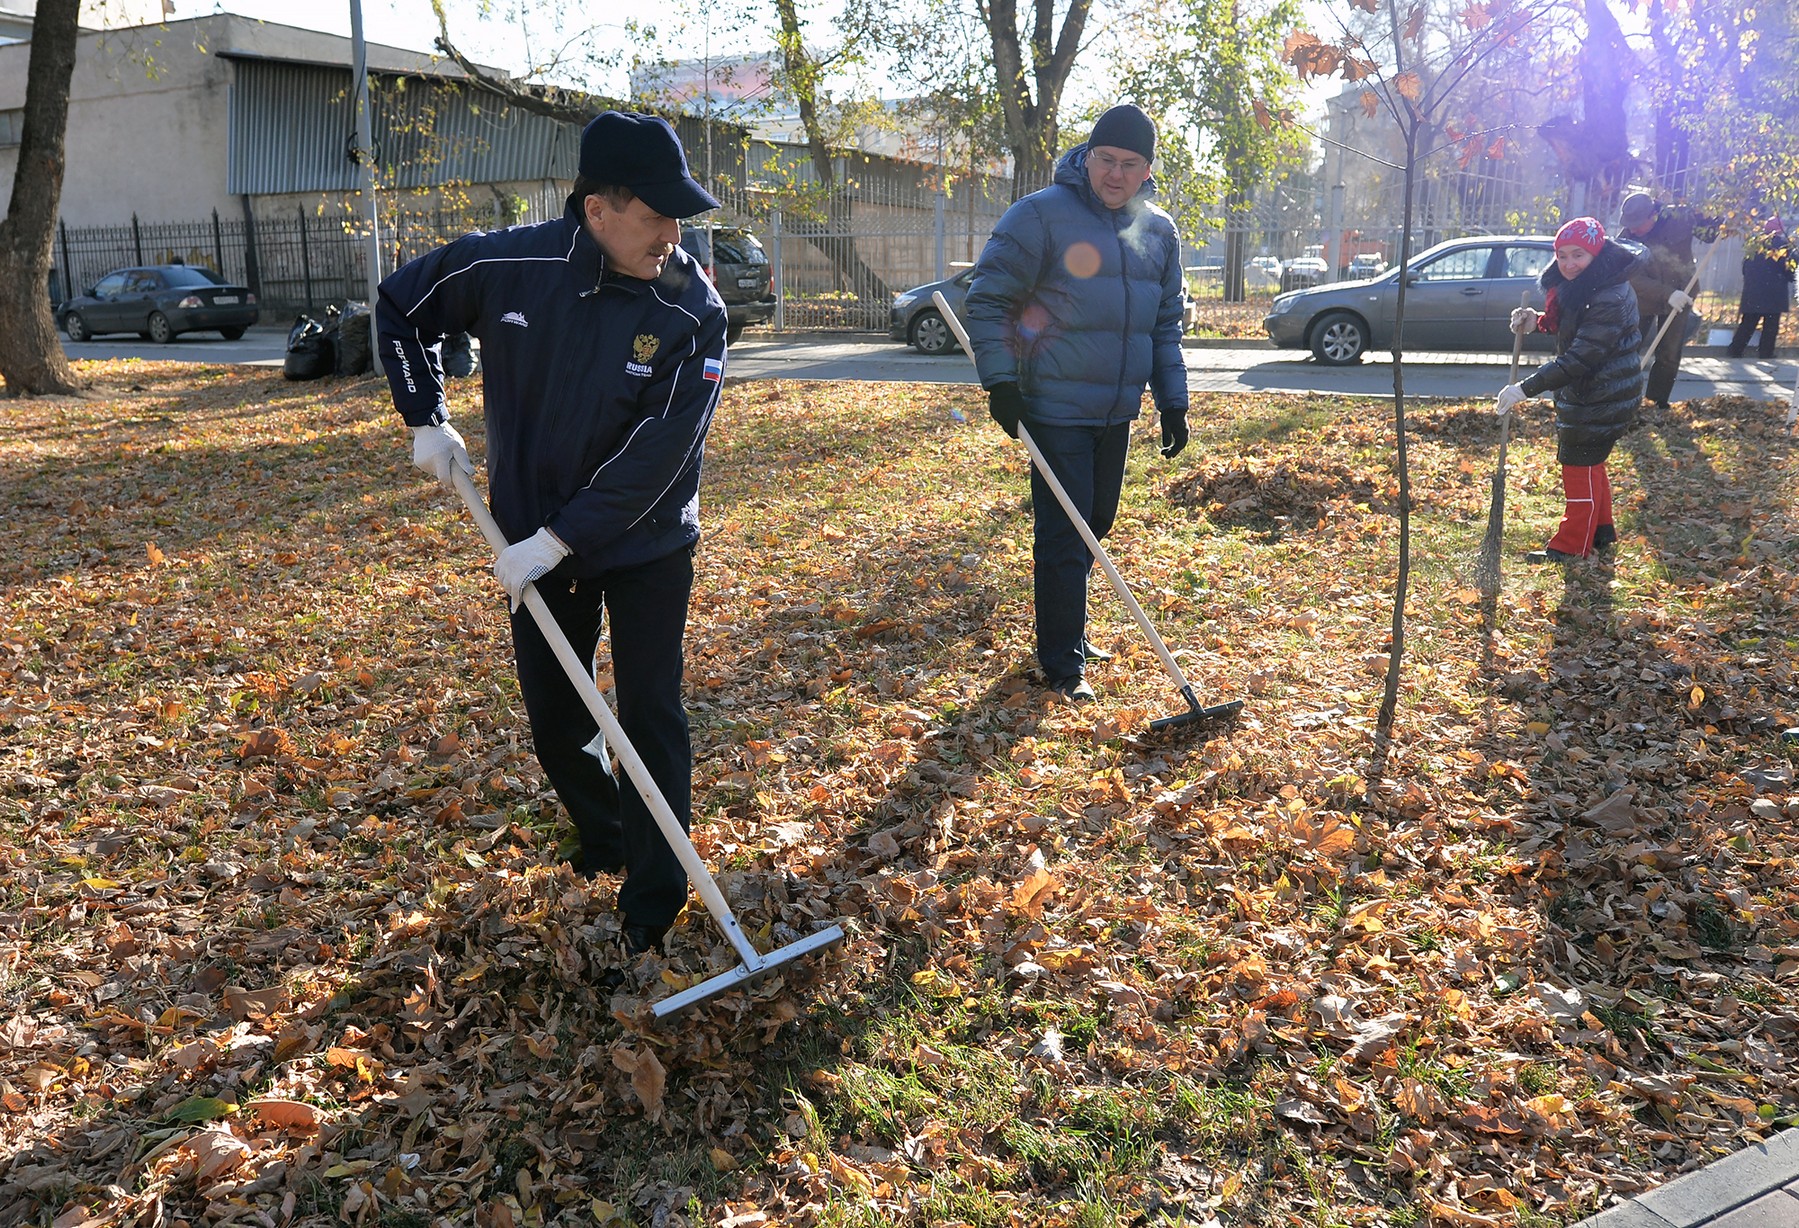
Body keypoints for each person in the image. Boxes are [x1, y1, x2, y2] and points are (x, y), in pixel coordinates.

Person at [375, 111, 729, 962]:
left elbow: (660, 452)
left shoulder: (691, 309)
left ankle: (654, 894)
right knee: (555, 718)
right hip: (529, 533)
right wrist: (425, 416)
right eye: (655, 218)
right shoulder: (507, 266)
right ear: (598, 209)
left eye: (678, 220)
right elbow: (397, 306)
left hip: (645, 544)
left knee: (649, 714)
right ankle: (606, 838)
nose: (671, 238)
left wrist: (562, 538)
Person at [963, 104, 1189, 704]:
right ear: (1087, 157)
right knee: (1066, 533)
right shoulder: (1039, 216)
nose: (1116, 174)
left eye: (1130, 164)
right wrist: (1002, 382)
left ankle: (1070, 634)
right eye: (1106, 159)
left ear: (1147, 170)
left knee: (1096, 526)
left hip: (1117, 409)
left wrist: (1173, 400)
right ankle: (1062, 661)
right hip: (1053, 405)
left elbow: (1165, 323)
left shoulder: (1158, 232)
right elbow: (987, 302)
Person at [1497, 217, 1645, 563]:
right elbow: (1573, 324)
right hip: (1594, 392)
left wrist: (1525, 388)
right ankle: (1602, 531)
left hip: (1600, 394)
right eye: (1562, 256)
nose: (1569, 264)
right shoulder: (1593, 285)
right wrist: (1538, 320)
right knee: (1591, 461)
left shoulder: (1609, 294)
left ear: (1595, 253)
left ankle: (1572, 546)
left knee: (1578, 466)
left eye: (1578, 255)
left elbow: (1581, 356)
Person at [1618, 190, 1718, 409]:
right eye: (1630, 223)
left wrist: (1720, 222)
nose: (1633, 228)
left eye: (1637, 223)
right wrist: (1667, 293)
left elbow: (1709, 233)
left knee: (1669, 352)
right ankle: (1623, 399)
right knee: (1628, 349)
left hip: (1682, 293)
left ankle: (1657, 401)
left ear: (1653, 214)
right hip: (1643, 299)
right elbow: (1630, 276)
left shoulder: (1681, 218)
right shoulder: (1626, 238)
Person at [1728, 216, 1795, 359]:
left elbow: (1745, 267)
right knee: (1771, 326)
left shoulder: (1755, 244)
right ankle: (1766, 353)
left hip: (1754, 292)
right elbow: (1791, 269)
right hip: (1774, 293)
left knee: (1748, 323)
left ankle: (1735, 350)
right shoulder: (1784, 246)